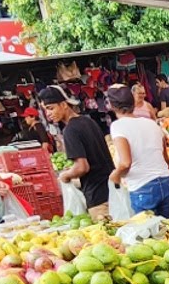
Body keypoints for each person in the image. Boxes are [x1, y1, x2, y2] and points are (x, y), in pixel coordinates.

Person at [38, 85, 114, 219]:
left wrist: (66, 175)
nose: (48, 114)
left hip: (98, 198)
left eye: (51, 108)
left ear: (63, 105)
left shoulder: (70, 130)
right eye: (46, 110)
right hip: (112, 190)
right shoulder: (88, 121)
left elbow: (82, 167)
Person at [107, 85, 169, 218]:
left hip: (143, 187)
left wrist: (115, 176)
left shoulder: (118, 126)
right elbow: (166, 159)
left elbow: (126, 163)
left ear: (112, 106)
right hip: (165, 181)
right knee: (167, 231)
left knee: (147, 233)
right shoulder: (151, 123)